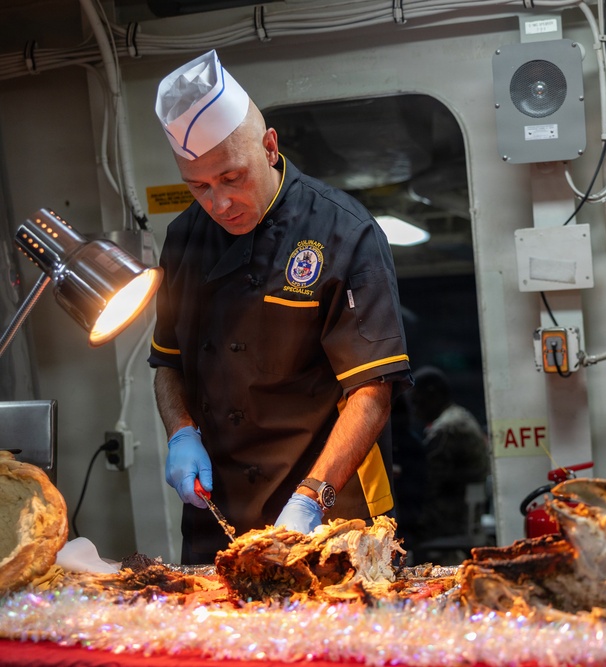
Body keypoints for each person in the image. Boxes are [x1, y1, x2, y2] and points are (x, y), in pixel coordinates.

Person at [148, 50, 411, 564]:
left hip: (330, 506)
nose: (219, 203)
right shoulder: (182, 238)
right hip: (219, 509)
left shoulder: (344, 231)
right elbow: (167, 366)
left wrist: (311, 499)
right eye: (198, 187)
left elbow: (373, 394)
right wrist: (181, 433)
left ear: (269, 147)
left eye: (231, 177)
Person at [408, 366, 491, 544]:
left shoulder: (446, 429)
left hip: (449, 526)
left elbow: (428, 482)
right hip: (467, 519)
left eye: (417, 401)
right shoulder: (461, 417)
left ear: (433, 396)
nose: (414, 409)